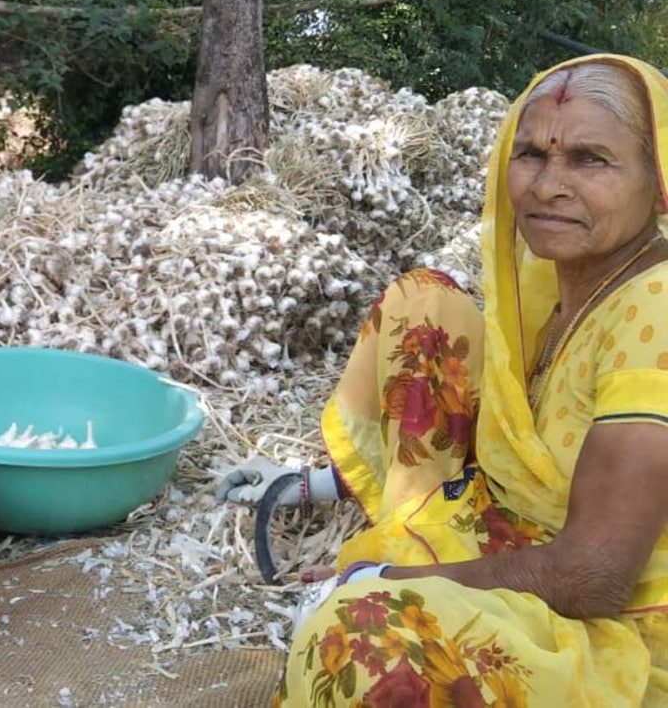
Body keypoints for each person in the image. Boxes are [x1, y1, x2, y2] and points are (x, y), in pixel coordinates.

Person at [218, 54, 668, 705]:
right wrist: (319, 486)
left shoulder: (655, 312)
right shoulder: (558, 280)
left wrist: (385, 578)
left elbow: (594, 577)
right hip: (517, 524)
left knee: (362, 645)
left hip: (613, 622)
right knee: (426, 306)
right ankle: (398, 522)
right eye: (533, 152)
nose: (547, 186)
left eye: (589, 159)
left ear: (658, 182)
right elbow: (514, 437)